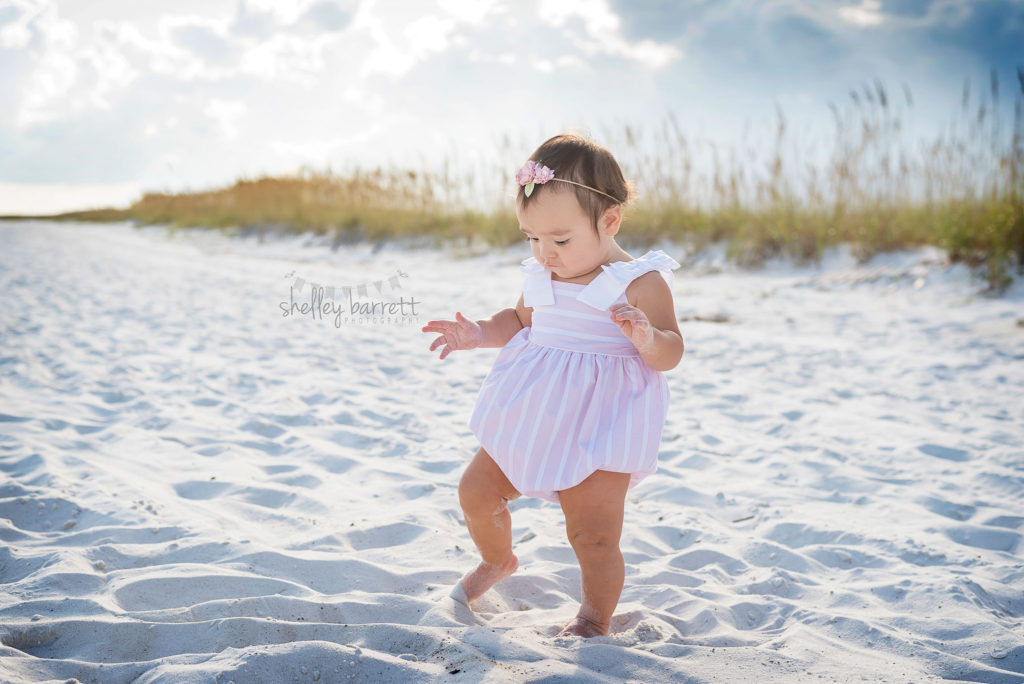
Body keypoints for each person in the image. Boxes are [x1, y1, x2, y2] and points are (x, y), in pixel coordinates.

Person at [420, 133, 684, 638]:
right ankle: (498, 560)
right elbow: (518, 321)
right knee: (476, 492)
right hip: (533, 415)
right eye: (531, 238)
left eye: (560, 240)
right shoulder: (543, 274)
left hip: (601, 426)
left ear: (609, 222)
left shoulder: (640, 282)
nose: (545, 253)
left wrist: (647, 337)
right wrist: (478, 333)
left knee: (593, 535)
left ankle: (593, 617)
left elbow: (671, 351)